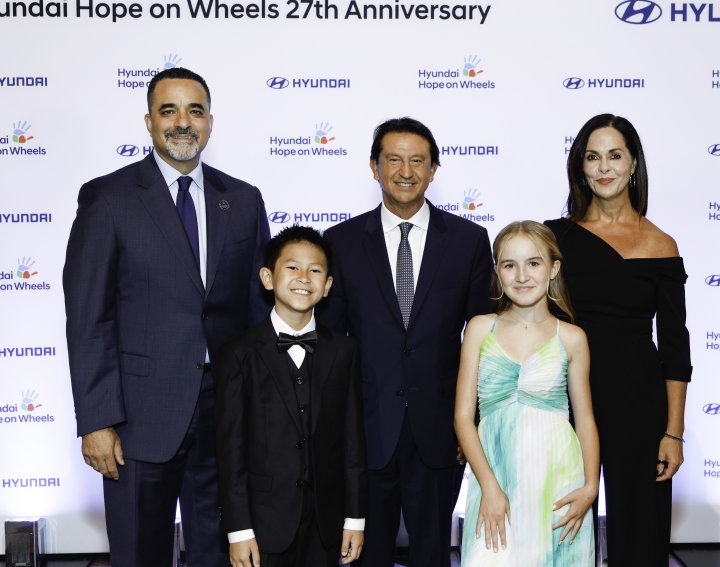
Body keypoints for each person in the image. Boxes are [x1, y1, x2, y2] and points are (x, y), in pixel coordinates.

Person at [63, 67, 270, 567]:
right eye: (169, 110)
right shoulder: (108, 198)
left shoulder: (243, 199)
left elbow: (257, 312)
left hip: (223, 416)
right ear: (149, 122)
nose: (182, 122)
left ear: (210, 122)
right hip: (138, 419)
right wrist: (97, 420)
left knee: (218, 554)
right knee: (140, 553)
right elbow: (88, 316)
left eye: (195, 111)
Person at [317, 117, 494, 567]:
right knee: (365, 553)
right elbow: (330, 343)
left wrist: (473, 421)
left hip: (441, 429)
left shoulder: (469, 241)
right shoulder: (340, 242)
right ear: (374, 167)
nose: (405, 171)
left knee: (433, 553)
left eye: (417, 161)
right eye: (393, 160)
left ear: (434, 170)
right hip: (366, 430)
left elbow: (485, 340)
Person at [545, 113, 692, 567]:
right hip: (566, 401)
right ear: (580, 167)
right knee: (561, 535)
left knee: (641, 540)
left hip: (639, 403)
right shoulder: (554, 239)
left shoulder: (661, 244)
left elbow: (675, 347)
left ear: (633, 164)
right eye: (593, 157)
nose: (604, 167)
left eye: (614, 155)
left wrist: (673, 432)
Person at [214, 224, 368, 567]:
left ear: (327, 286)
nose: (304, 278)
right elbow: (230, 452)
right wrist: (238, 530)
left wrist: (355, 518)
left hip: (326, 523)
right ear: (268, 278)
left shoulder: (344, 351)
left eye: (315, 270)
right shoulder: (237, 354)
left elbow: (353, 442)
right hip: (262, 525)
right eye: (293, 267)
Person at [455, 221, 598, 566]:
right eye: (509, 265)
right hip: (494, 478)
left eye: (533, 263)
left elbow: (585, 420)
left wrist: (591, 488)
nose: (522, 276)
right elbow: (462, 418)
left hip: (559, 483)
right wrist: (489, 487)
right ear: (497, 272)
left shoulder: (572, 338)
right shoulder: (479, 329)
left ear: (553, 269)